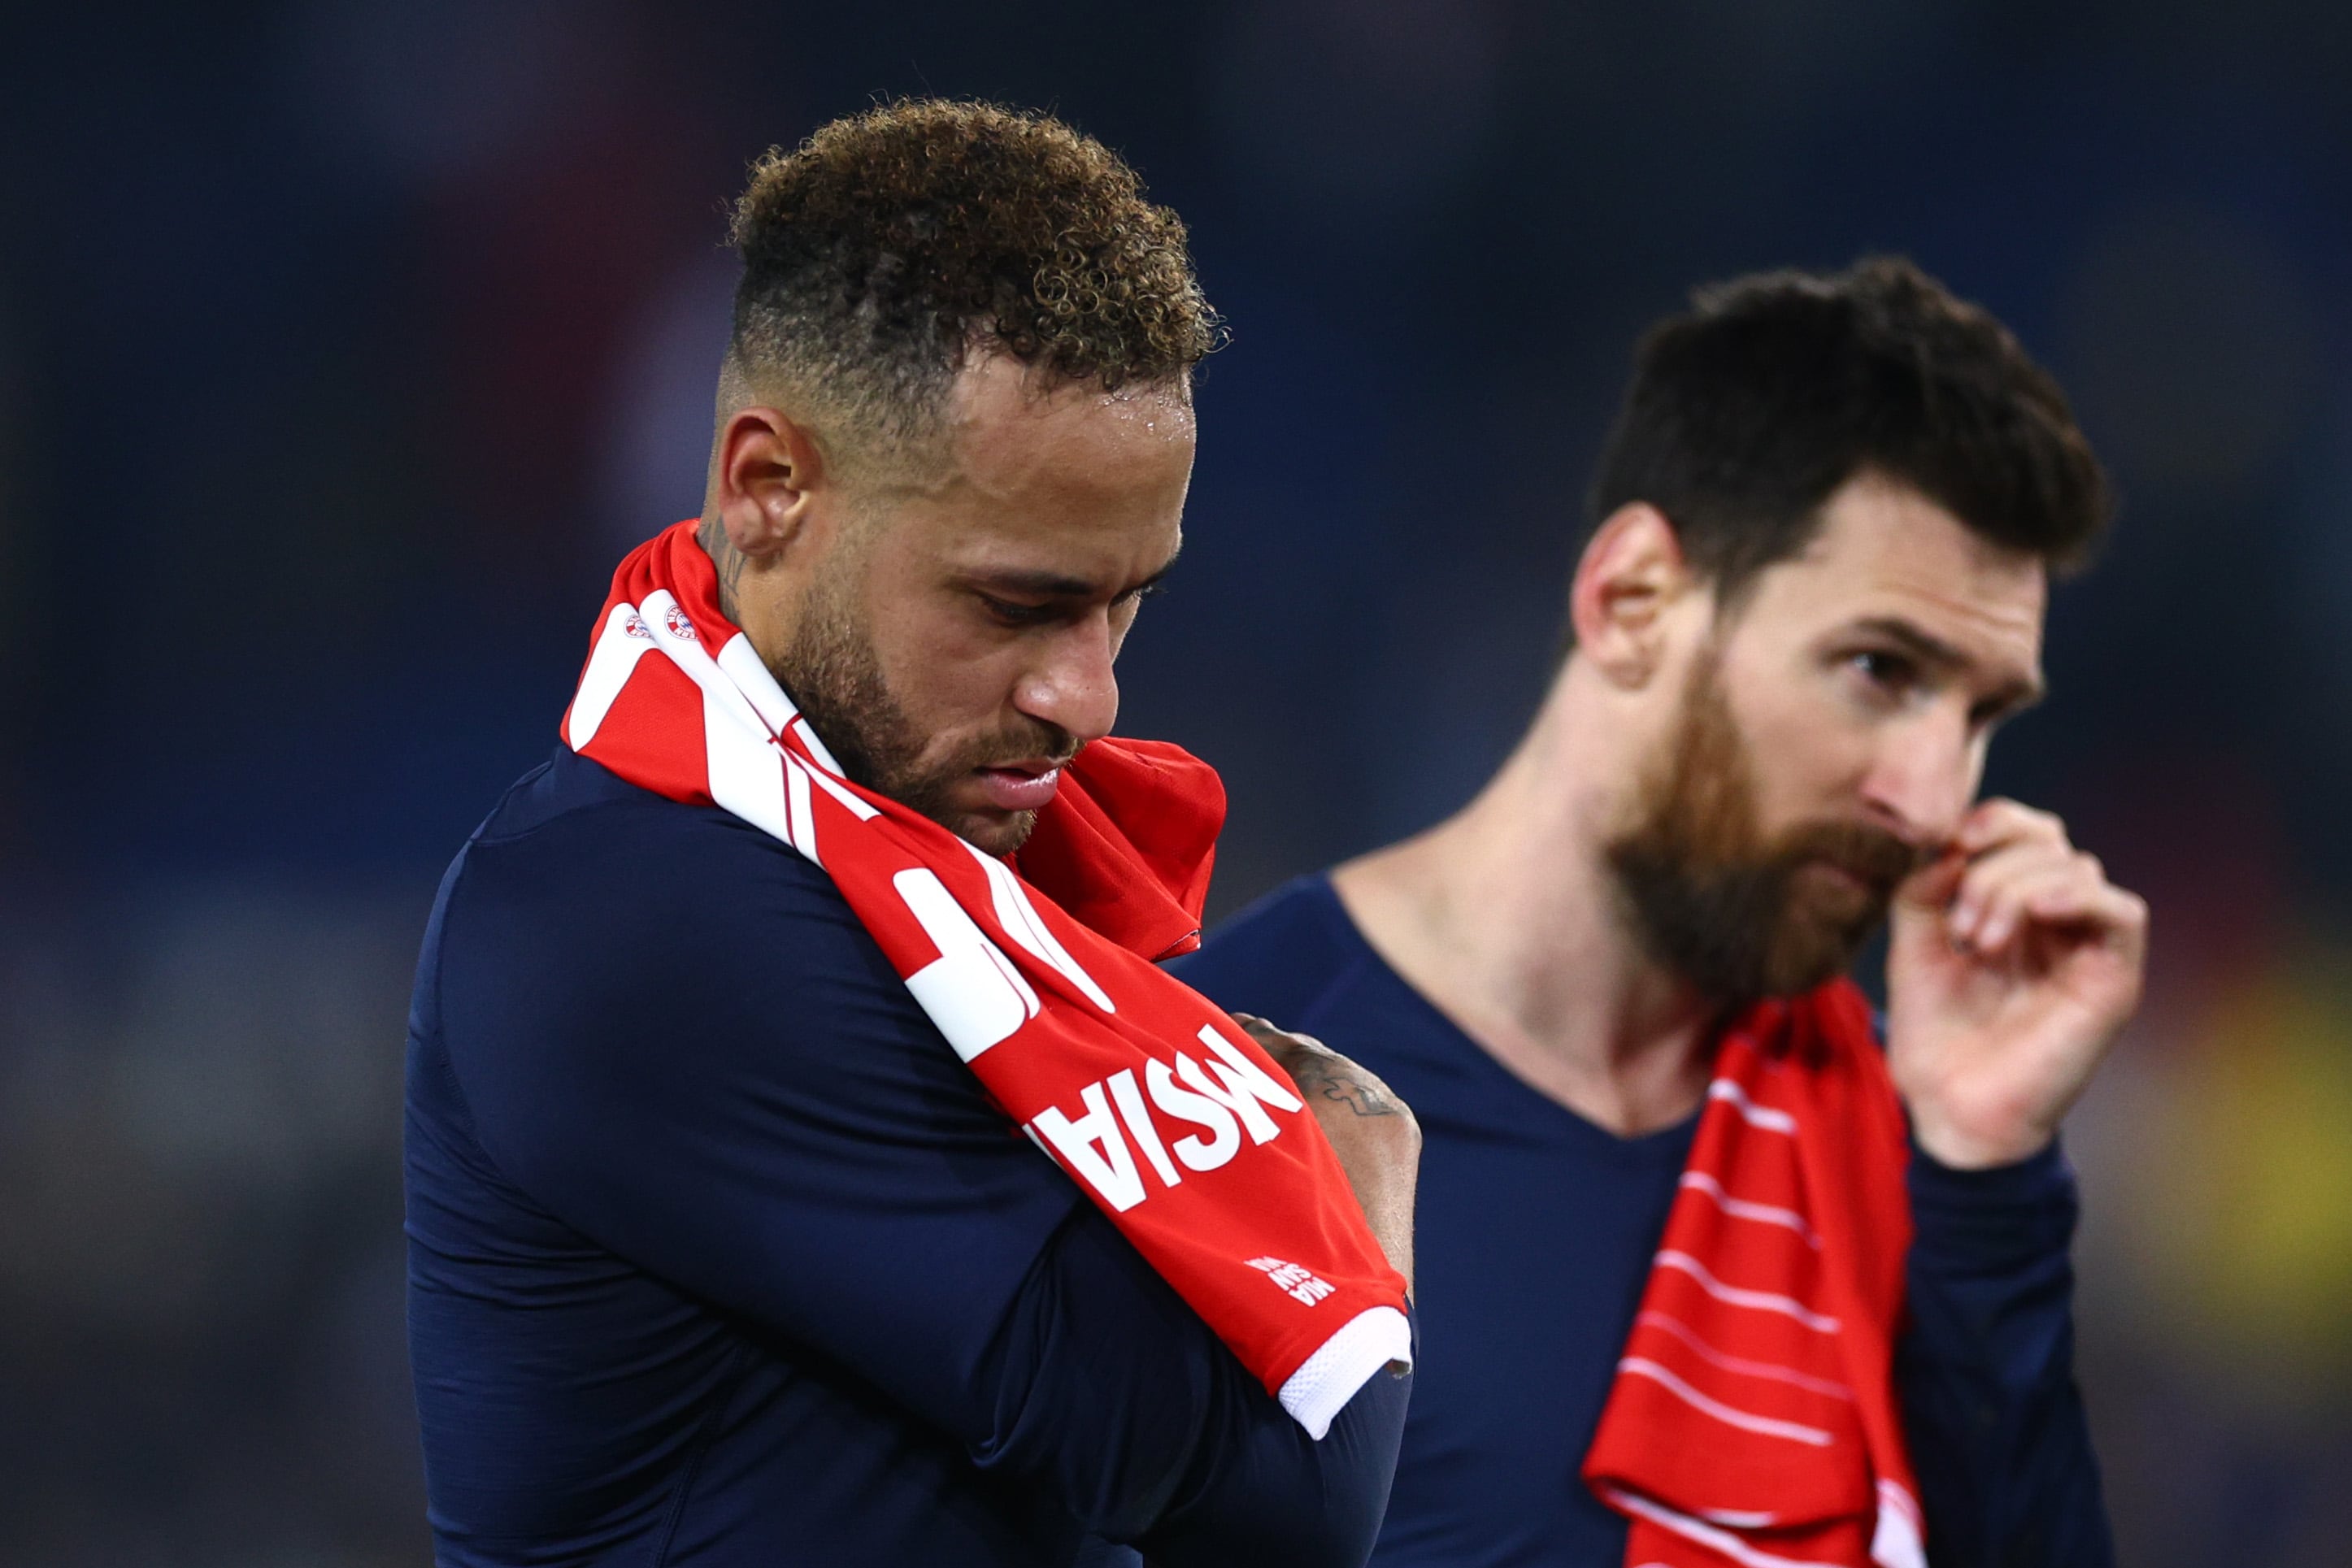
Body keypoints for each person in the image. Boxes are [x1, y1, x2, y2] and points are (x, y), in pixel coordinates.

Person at [404, 100, 1423, 1568]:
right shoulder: (643, 910)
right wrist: (1354, 1168)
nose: (1088, 696)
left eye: (1127, 599)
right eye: (1017, 604)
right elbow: (1278, 1497)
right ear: (770, 489)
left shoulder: (924, 883)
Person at [1174, 258, 2145, 1568]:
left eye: (1978, 713)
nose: (1926, 797)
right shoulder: (1220, 1083)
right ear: (1631, 599)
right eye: (1878, 668)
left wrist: (1986, 1168)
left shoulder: (1897, 1135)